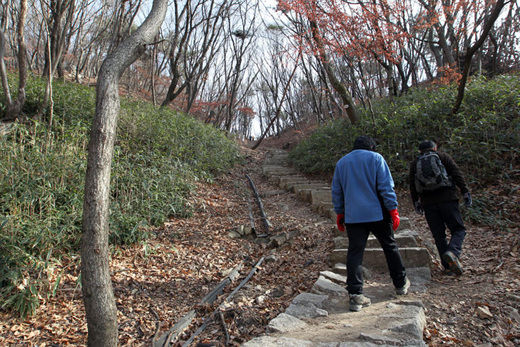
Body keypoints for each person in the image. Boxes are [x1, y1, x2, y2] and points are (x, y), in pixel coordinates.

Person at [332, 135, 410, 312]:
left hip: (353, 217)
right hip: (378, 214)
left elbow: (337, 191)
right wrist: (393, 210)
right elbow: (386, 187)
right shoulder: (376, 158)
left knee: (355, 253)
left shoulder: (342, 163)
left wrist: (340, 213)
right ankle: (400, 284)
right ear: (371, 147)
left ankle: (355, 295)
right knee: (389, 246)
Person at [409, 140, 472, 276]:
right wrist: (465, 191)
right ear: (434, 148)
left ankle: (448, 268)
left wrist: (415, 201)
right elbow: (456, 174)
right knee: (458, 229)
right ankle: (453, 252)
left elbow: (412, 184)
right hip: (448, 198)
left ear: (420, 151)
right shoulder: (443, 157)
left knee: (439, 235)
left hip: (428, 202)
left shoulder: (415, 163)